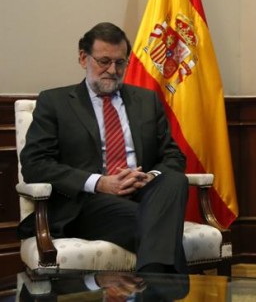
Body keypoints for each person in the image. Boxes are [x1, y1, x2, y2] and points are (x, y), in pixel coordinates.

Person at [18, 22, 189, 274]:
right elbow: (35, 165)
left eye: (120, 63)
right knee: (160, 223)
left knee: (174, 180)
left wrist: (148, 177)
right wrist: (99, 183)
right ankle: (163, 291)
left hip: (143, 193)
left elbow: (173, 155)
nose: (112, 70)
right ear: (83, 58)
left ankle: (156, 289)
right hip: (88, 203)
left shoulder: (146, 101)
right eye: (104, 61)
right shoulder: (55, 102)